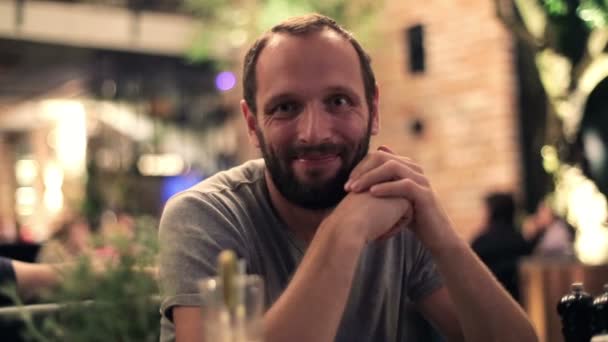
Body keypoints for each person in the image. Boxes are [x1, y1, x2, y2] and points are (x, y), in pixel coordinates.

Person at [158, 14, 538, 342]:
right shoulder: (206, 216)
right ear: (252, 124)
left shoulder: (396, 212)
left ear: (373, 110)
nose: (314, 132)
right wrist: (346, 230)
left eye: (338, 101)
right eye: (286, 107)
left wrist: (442, 236)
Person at [471, 192, 542, 302]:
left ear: (491, 212)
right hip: (517, 304)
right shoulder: (521, 242)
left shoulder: (480, 242)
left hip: (486, 302)